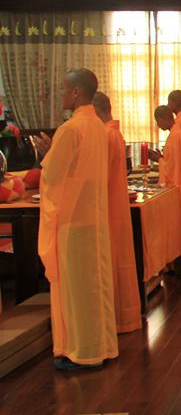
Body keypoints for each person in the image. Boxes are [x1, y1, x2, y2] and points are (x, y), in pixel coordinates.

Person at [37, 69, 118, 370]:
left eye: (63, 88)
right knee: (94, 287)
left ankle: (83, 353)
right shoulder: (97, 125)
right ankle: (102, 347)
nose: (60, 93)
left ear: (75, 92)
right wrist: (54, 151)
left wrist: (47, 156)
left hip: (73, 220)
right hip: (93, 218)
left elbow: (54, 176)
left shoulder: (71, 129)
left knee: (77, 292)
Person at [93, 92, 142, 334]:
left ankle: (112, 317)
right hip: (115, 205)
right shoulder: (114, 134)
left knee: (110, 261)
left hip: (106, 207)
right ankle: (124, 314)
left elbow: (93, 176)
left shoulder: (106, 135)